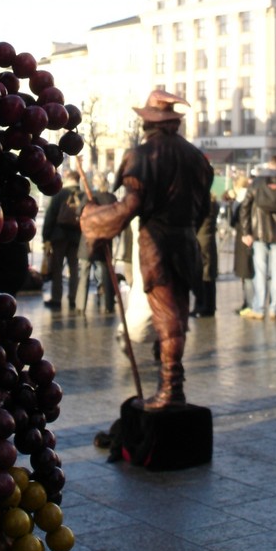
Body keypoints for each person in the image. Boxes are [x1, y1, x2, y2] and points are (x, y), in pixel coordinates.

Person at [80, 89, 213, 409]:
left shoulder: (143, 155)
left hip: (158, 245)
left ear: (150, 122)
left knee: (168, 321)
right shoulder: (196, 157)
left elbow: (131, 206)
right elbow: (204, 209)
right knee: (176, 315)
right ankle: (169, 383)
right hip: (186, 244)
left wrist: (94, 221)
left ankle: (171, 388)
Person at [238, 155, 276, 320]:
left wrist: (246, 231)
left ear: (269, 165)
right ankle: (275, 308)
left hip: (259, 233)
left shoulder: (257, 183)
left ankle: (258, 308)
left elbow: (245, 208)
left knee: (260, 271)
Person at [42, 168, 84, 311]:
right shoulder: (84, 195)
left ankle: (56, 299)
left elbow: (50, 216)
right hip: (77, 238)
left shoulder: (59, 194)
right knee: (74, 268)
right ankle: (74, 298)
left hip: (59, 236)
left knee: (57, 268)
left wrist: (46, 237)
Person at [75, 174, 116, 315]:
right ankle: (109, 305)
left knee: (84, 273)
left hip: (88, 240)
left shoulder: (90, 196)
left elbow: (78, 211)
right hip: (104, 239)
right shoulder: (112, 198)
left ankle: (81, 306)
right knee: (106, 273)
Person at [191, 192, 219, 317]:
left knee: (203, 274)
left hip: (202, 241)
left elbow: (195, 220)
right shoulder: (214, 205)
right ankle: (209, 306)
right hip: (208, 241)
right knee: (209, 275)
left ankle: (202, 306)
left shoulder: (203, 206)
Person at [231, 175, 254, 312]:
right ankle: (248, 303)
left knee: (247, 273)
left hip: (244, 238)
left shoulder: (242, 199)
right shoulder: (252, 195)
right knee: (247, 273)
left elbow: (234, 220)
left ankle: (250, 304)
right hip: (247, 238)